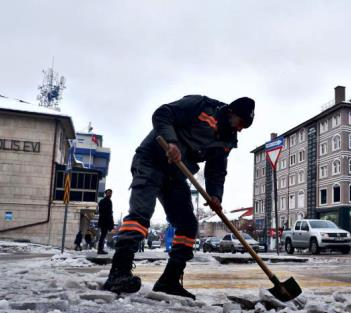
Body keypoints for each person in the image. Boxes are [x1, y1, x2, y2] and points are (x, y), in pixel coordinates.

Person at [103, 95, 255, 299]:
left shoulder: (227, 141)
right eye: (241, 123)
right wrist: (171, 142)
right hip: (152, 160)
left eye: (246, 126)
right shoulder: (202, 106)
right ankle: (118, 273)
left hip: (175, 173)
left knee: (188, 225)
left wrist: (215, 196)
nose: (241, 129)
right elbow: (162, 114)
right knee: (141, 214)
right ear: (231, 112)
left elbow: (216, 171)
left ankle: (169, 280)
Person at [97, 189, 114, 255]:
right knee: (103, 236)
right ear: (106, 193)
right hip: (105, 221)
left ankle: (100, 249)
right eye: (109, 193)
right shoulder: (107, 201)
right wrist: (110, 223)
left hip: (103, 221)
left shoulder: (102, 201)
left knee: (103, 235)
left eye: (111, 193)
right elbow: (108, 213)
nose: (110, 194)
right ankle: (100, 250)